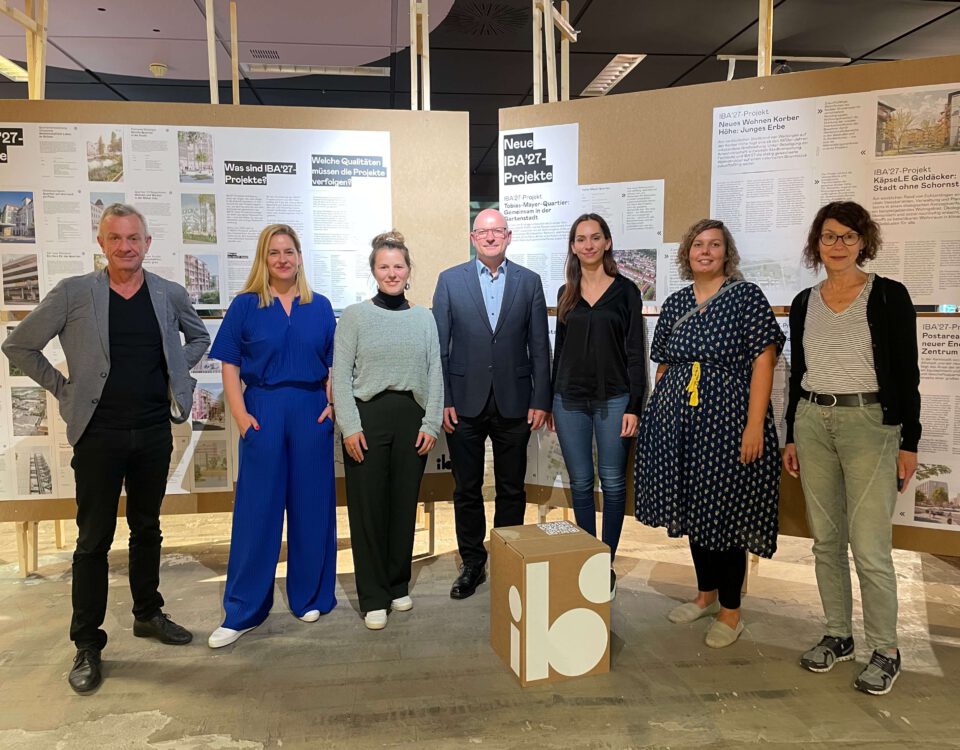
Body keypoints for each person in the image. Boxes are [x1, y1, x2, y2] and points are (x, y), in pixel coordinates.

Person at [1, 203, 209, 694]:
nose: (125, 246)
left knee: (147, 527)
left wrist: (173, 371)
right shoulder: (75, 293)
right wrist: (65, 389)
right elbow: (19, 346)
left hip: (153, 430)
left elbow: (198, 337)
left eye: (133, 238)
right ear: (101, 244)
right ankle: (87, 644)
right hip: (98, 434)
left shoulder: (167, 293)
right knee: (93, 540)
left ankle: (147, 613)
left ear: (147, 243)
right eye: (115, 238)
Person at [783, 201, 920, 696]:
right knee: (825, 540)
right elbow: (798, 374)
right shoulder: (804, 301)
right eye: (828, 237)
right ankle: (838, 635)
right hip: (812, 420)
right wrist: (792, 434)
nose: (837, 245)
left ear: (864, 242)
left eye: (847, 236)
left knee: (869, 546)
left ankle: (885, 648)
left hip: (869, 425)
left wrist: (910, 440)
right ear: (816, 244)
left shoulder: (888, 296)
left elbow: (907, 373)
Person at [635, 219, 783, 648]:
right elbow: (662, 364)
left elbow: (763, 361)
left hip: (728, 421)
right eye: (698, 244)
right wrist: (662, 417)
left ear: (726, 253)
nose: (705, 251)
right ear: (687, 253)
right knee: (695, 509)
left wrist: (755, 425)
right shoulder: (678, 300)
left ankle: (731, 611)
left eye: (714, 244)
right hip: (679, 423)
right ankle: (704, 594)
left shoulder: (745, 297)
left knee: (726, 515)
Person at [206, 224, 337, 648]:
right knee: (256, 513)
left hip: (310, 411)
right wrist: (241, 415)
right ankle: (243, 610)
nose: (282, 259)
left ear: (299, 256)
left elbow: (334, 362)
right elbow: (228, 363)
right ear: (264, 260)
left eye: (289, 251)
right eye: (273, 253)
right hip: (261, 409)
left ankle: (311, 596)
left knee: (312, 507)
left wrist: (332, 405)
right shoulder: (245, 306)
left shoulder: (319, 306)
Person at [433, 208, 551, 599]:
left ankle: (506, 557)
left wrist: (540, 397)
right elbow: (440, 349)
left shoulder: (529, 282)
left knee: (511, 488)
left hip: (515, 401)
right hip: (464, 402)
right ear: (472, 237)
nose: (490, 237)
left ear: (509, 236)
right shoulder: (450, 281)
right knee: (466, 488)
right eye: (483, 232)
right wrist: (445, 399)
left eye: (497, 231)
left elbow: (540, 345)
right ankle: (472, 564)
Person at [333, 230, 443, 629]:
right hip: (367, 419)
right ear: (374, 271)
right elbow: (340, 375)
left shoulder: (423, 318)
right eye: (384, 266)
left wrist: (431, 421)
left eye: (399, 266)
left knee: (402, 506)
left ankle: (398, 585)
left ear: (409, 271)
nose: (392, 273)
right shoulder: (355, 316)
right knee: (368, 510)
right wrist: (349, 426)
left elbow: (435, 371)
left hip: (410, 419)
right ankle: (373, 595)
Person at [547, 214, 646, 597]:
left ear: (607, 242)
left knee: (614, 481)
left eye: (595, 238)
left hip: (615, 397)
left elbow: (636, 352)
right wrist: (551, 400)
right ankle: (588, 557)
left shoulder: (626, 291)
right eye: (580, 239)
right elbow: (559, 353)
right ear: (573, 246)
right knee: (582, 483)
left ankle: (606, 561)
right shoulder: (565, 292)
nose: (588, 245)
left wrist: (634, 404)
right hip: (569, 399)